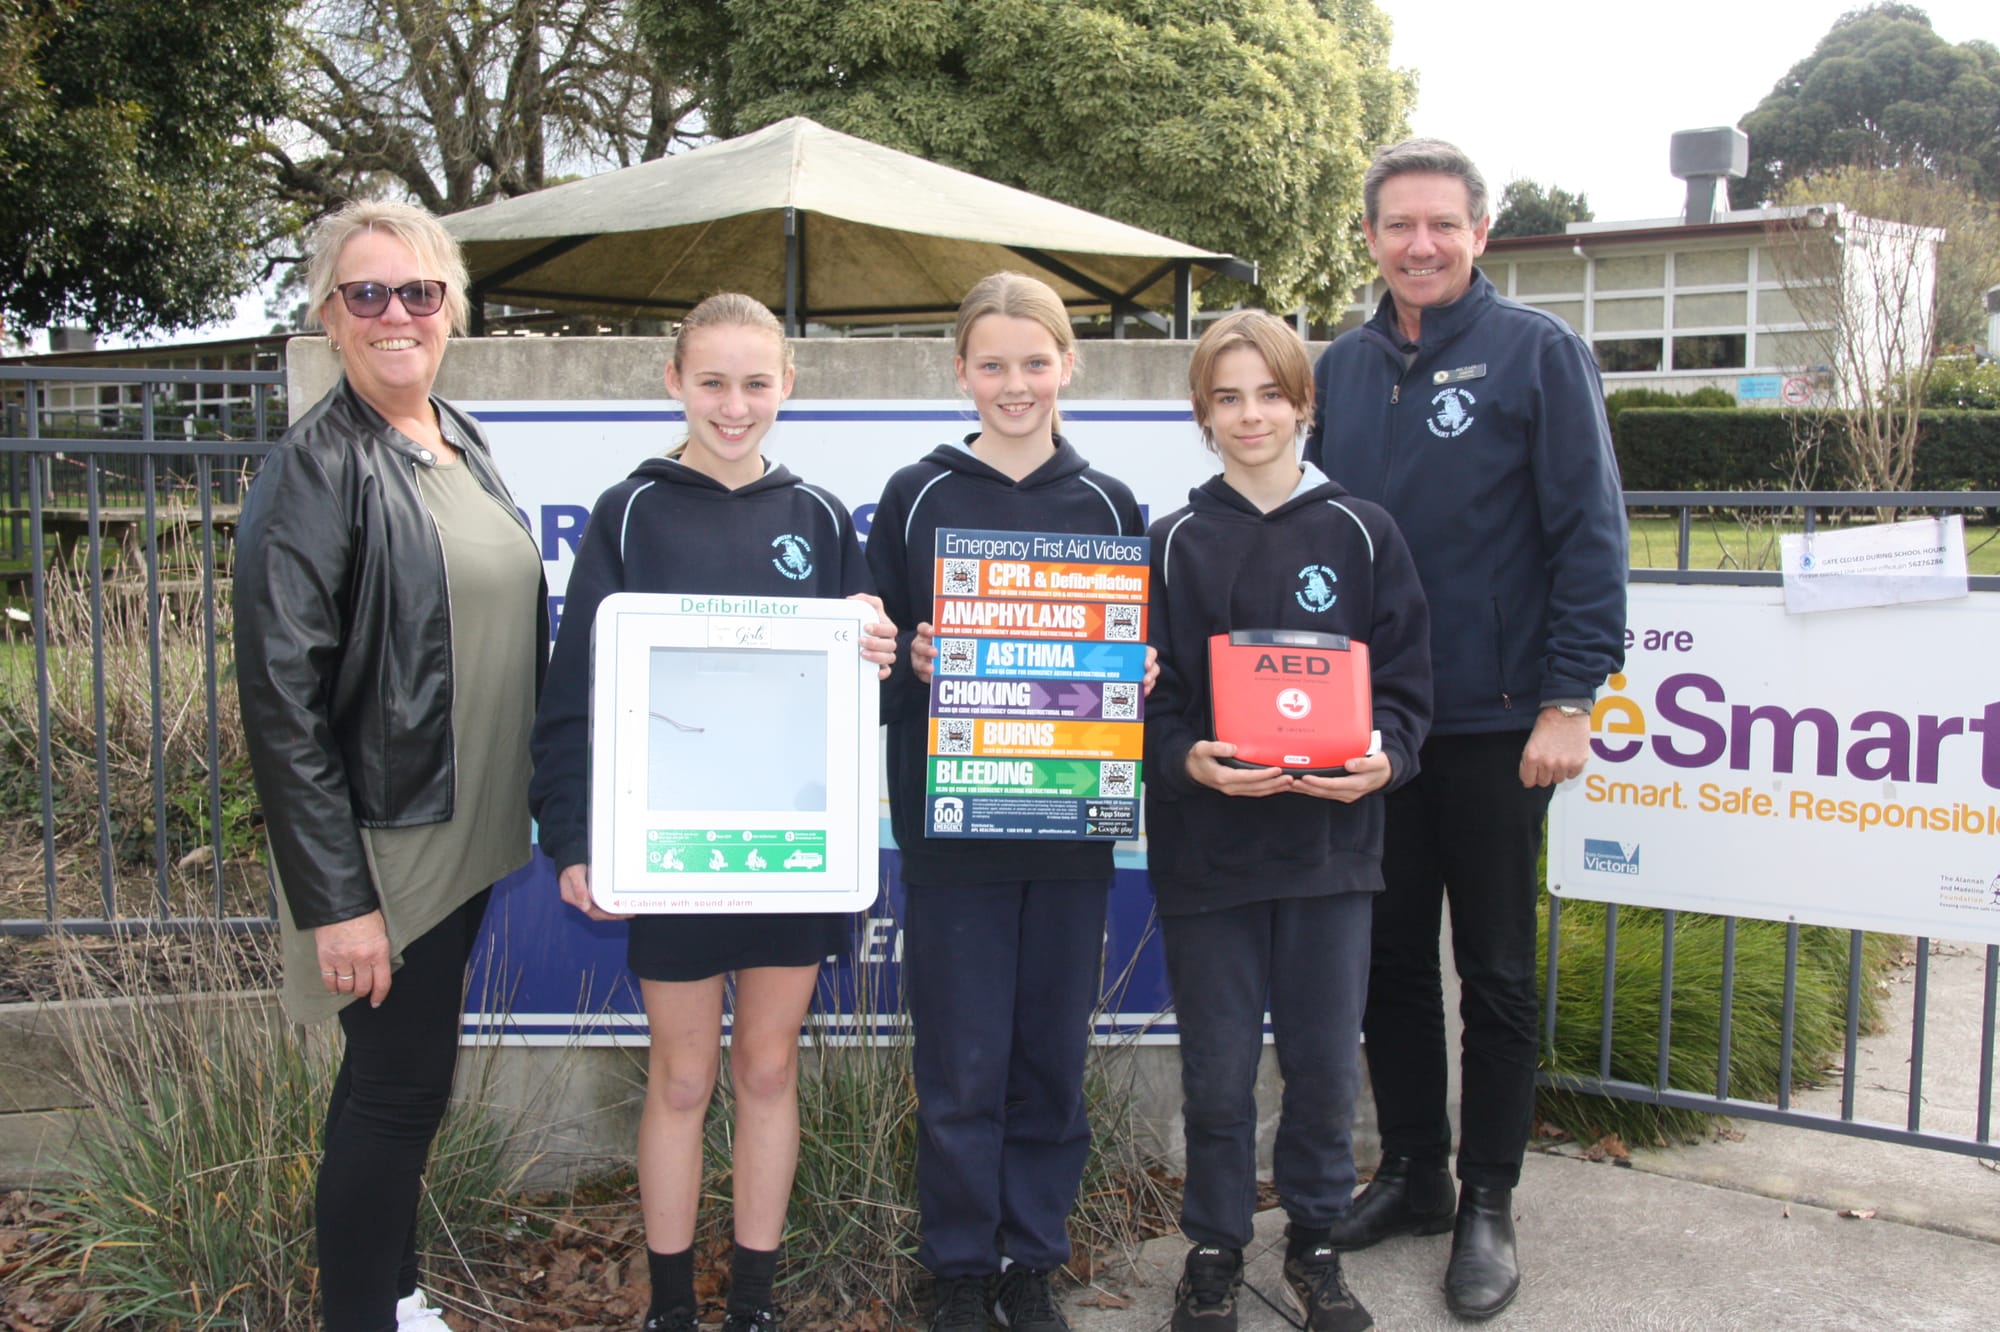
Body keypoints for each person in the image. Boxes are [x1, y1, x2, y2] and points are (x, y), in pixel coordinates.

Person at [1303, 138, 1628, 1320]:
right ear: (1371, 237)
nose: (1420, 245)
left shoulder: (1534, 353)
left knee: (1490, 971)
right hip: (1374, 726)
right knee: (1386, 964)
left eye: (1441, 224)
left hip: (1500, 726)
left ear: (1478, 234)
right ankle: (1412, 1174)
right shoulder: (1336, 367)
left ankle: (1487, 1200)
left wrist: (1567, 700)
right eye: (1398, 226)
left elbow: (1588, 536)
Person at [528, 292, 896, 1332]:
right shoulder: (630, 511)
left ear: (788, 386)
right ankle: (668, 1310)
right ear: (672, 383)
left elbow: (862, 683)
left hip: (788, 849)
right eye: (712, 382)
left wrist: (871, 639)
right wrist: (572, 836)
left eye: (755, 382)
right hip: (671, 847)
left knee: (768, 1067)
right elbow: (574, 696)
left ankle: (753, 1305)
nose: (733, 406)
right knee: (683, 1080)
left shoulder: (819, 518)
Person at [235, 200, 548, 1332]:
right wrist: (340, 900)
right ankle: (362, 1318)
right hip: (387, 845)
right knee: (395, 1092)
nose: (395, 314)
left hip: (463, 826)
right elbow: (283, 702)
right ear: (328, 315)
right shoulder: (314, 469)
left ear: (452, 308)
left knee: (396, 1089)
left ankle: (394, 1293)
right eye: (366, 294)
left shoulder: (454, 437)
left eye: (418, 291)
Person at [866, 272, 1148, 1332]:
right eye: (992, 364)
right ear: (959, 371)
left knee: (1046, 1058)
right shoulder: (917, 493)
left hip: (1068, 831)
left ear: (1067, 365)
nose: (1014, 383)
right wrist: (914, 661)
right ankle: (956, 1268)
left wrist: (1133, 680)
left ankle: (1030, 1261)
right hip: (951, 832)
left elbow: (1118, 669)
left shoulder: (1113, 504)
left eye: (1034, 362)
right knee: (960, 1060)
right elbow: (874, 660)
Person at [1145, 311, 1431, 1332]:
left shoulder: (1361, 532)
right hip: (1208, 858)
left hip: (1328, 853)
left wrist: (1381, 763)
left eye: (1268, 393)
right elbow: (1149, 698)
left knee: (1318, 1064)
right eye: (1227, 397)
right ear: (1201, 414)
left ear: (1303, 402)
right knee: (1216, 1070)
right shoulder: (1171, 540)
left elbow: (1403, 690)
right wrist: (1185, 758)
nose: (1250, 414)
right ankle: (1215, 1247)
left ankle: (1313, 1240)